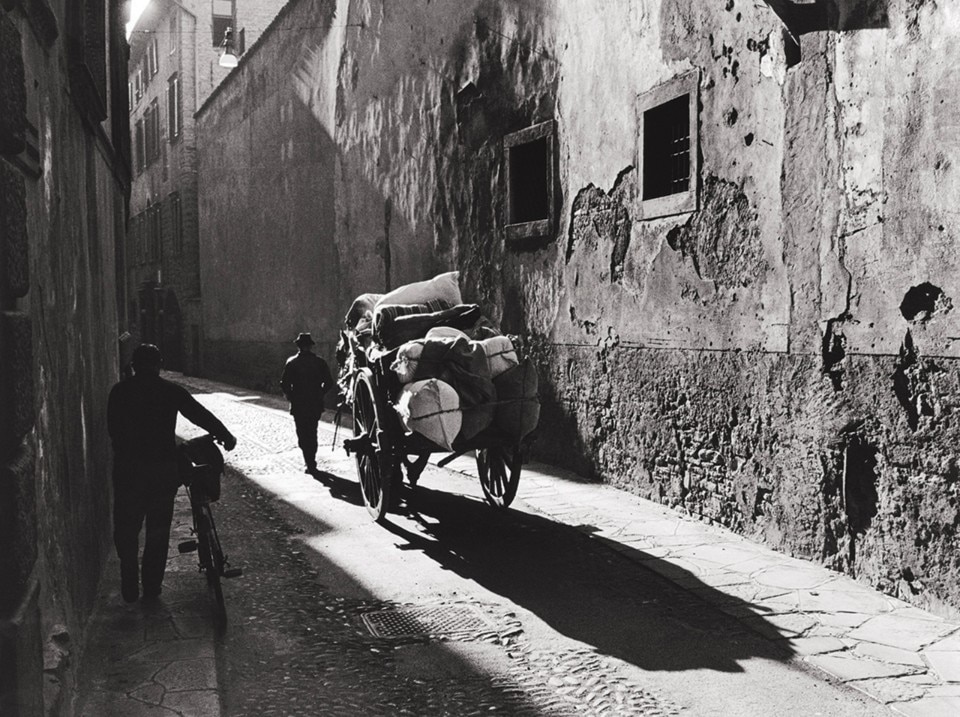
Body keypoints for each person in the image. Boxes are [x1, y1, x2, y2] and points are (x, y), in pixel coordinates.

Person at [107, 344, 236, 603]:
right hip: (162, 472)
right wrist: (225, 435)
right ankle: (152, 588)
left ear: (133, 364)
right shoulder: (170, 391)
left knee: (126, 528)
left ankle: (129, 579)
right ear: (159, 364)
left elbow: (114, 432)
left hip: (128, 471)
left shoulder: (120, 392)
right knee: (157, 531)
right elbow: (200, 415)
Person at [280, 332, 333, 473]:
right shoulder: (319, 362)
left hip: (299, 404)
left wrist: (291, 396)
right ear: (310, 346)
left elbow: (284, 383)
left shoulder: (292, 362)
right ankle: (312, 462)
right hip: (314, 403)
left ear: (299, 347)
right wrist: (320, 393)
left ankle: (309, 462)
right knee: (312, 432)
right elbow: (329, 382)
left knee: (302, 433)